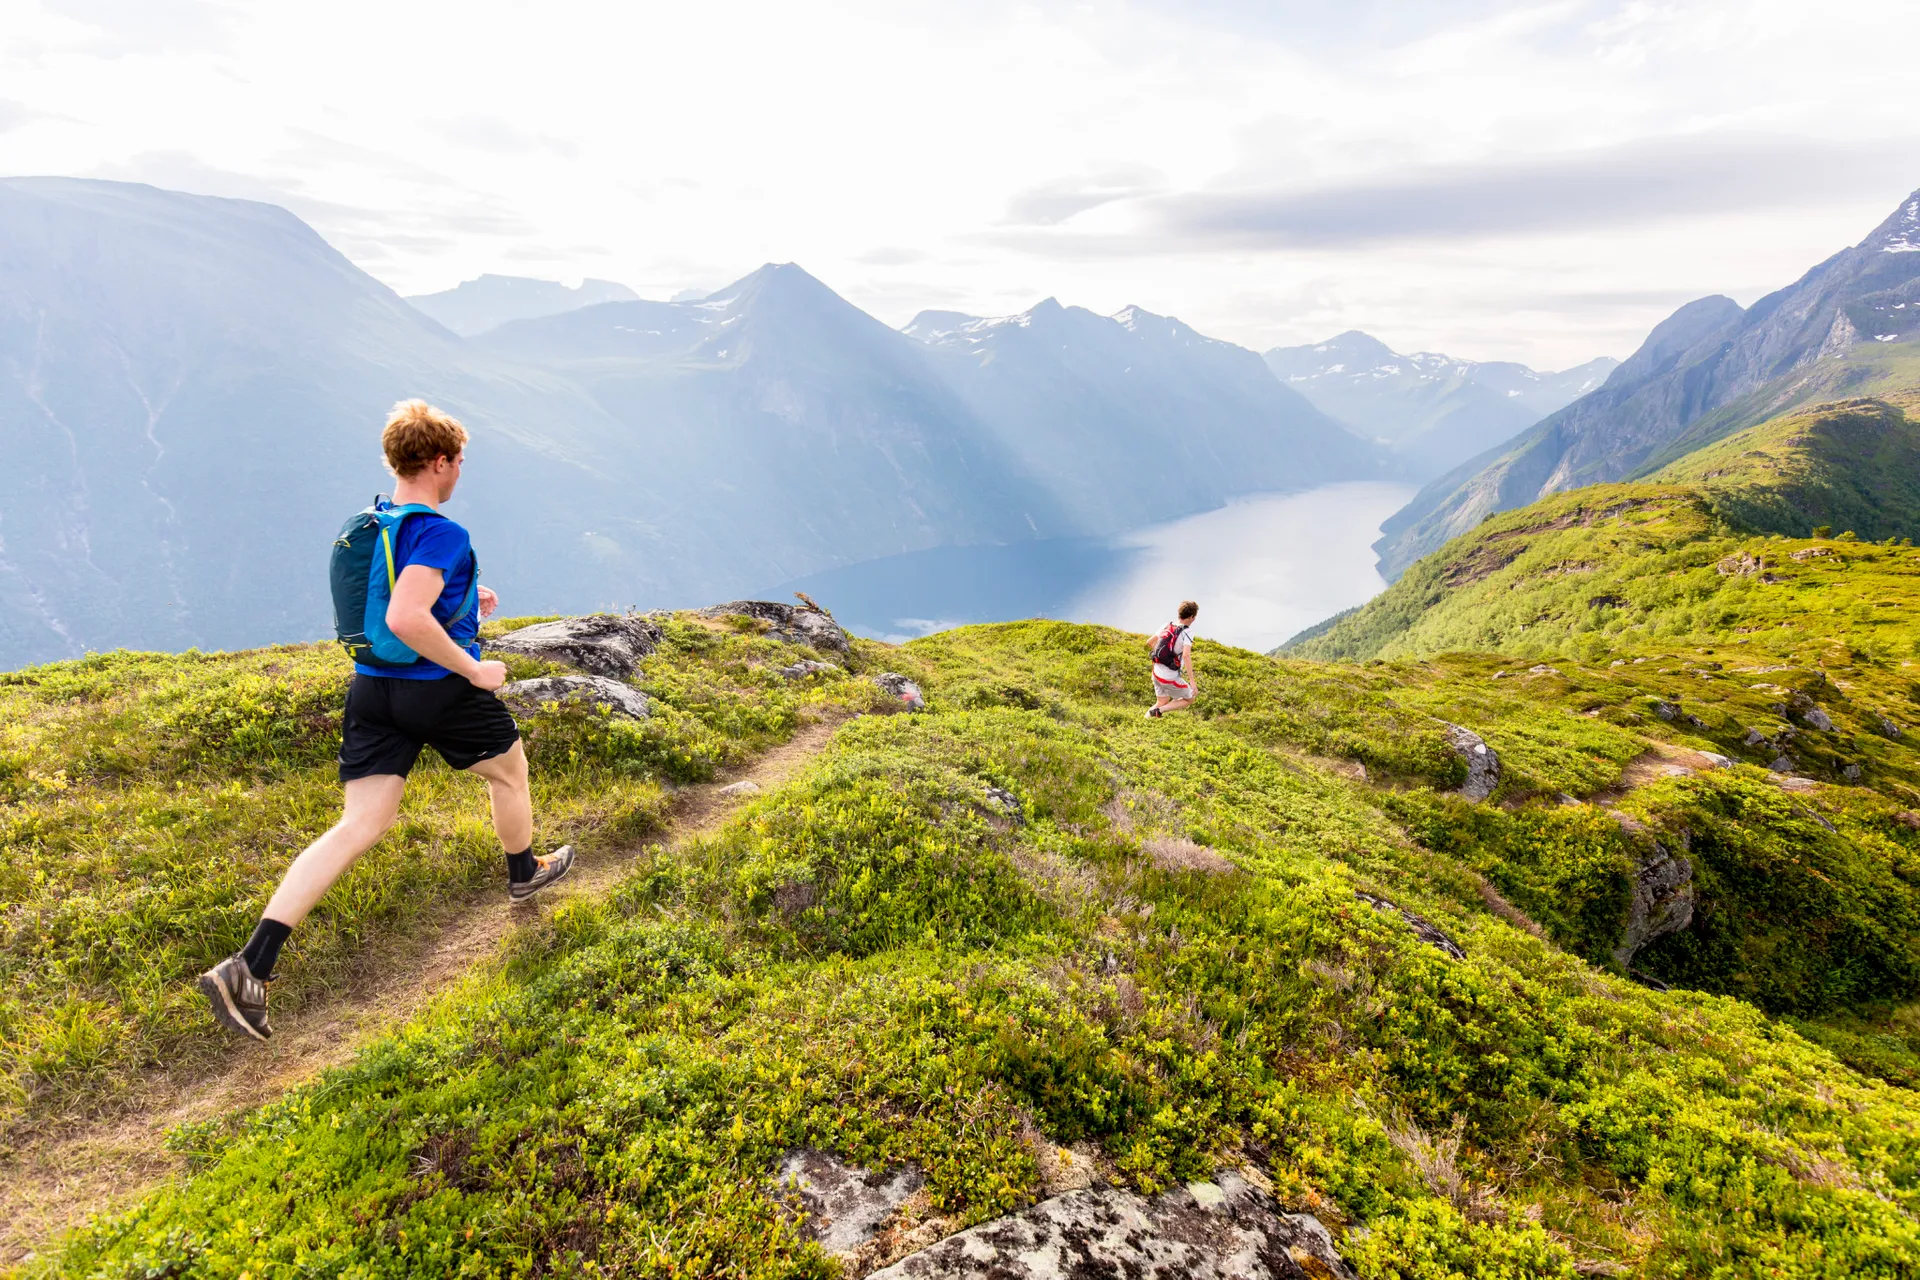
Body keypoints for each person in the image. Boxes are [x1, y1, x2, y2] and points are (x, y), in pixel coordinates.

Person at [199, 400, 574, 1042]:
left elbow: (398, 605)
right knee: (509, 773)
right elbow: (404, 618)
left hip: (373, 692)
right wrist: (476, 670)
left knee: (358, 826)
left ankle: (249, 967)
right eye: (458, 462)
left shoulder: (376, 521)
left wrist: (462, 601)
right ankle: (523, 874)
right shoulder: (440, 530)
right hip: (438, 692)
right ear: (439, 462)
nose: (459, 473)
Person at [1146, 601, 1199, 718]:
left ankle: (1143, 723)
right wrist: (1192, 681)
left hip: (1156, 672)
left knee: (1161, 701)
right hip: (1169, 677)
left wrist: (1163, 657)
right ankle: (1160, 710)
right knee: (1190, 698)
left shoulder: (1167, 625)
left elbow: (1149, 642)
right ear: (1191, 617)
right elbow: (1186, 655)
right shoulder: (1187, 632)